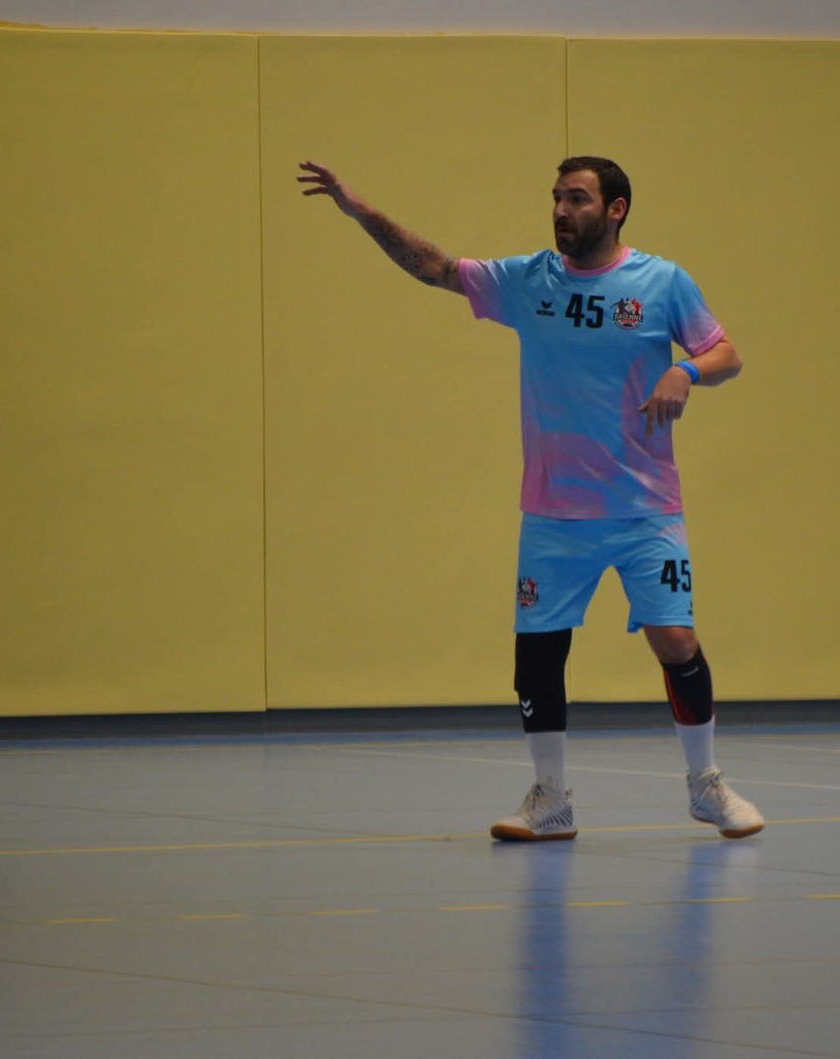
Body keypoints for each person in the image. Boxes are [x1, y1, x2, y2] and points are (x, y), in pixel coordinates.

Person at [300, 155, 763, 841]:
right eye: (556, 198)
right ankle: (550, 799)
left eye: (577, 199)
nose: (561, 211)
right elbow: (435, 268)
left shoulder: (662, 282)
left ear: (616, 209)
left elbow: (727, 354)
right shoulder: (529, 281)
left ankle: (706, 785)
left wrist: (686, 371)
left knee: (676, 638)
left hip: (646, 508)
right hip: (554, 512)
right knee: (539, 654)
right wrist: (359, 211)